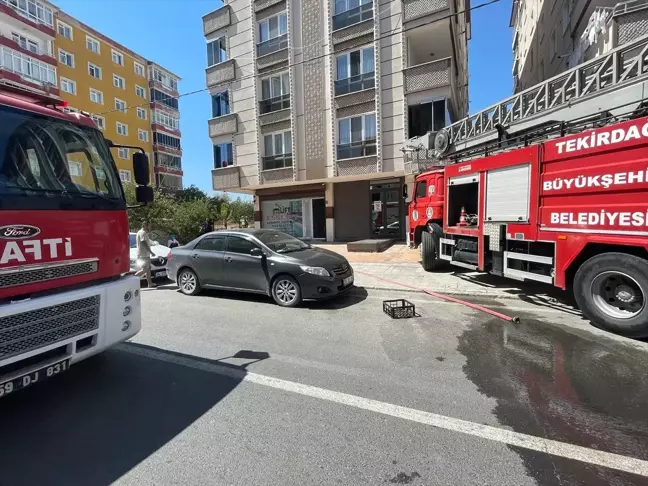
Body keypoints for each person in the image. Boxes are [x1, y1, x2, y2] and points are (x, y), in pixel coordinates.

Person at [135, 220, 156, 288]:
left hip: (144, 254)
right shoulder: (142, 233)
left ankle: (150, 283)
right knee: (145, 269)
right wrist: (151, 252)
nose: (150, 227)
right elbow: (143, 242)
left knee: (148, 269)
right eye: (149, 226)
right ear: (144, 225)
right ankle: (133, 279)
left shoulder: (141, 232)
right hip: (143, 254)